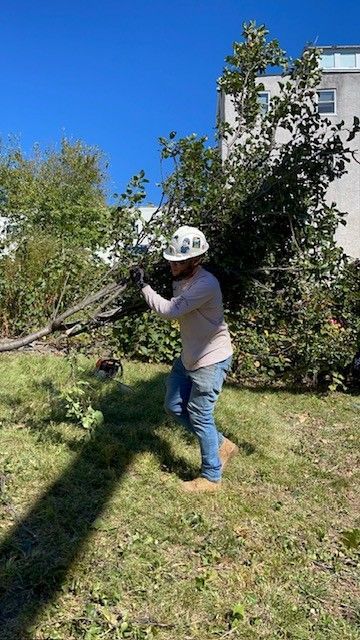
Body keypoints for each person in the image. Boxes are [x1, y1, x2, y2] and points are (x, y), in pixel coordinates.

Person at [130, 225, 238, 492]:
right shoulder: (183, 278)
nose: (173, 266)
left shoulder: (205, 284)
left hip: (210, 358)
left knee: (200, 415)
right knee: (173, 406)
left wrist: (143, 287)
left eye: (178, 262)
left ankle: (211, 477)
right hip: (190, 354)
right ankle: (222, 443)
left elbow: (169, 310)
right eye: (172, 260)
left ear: (196, 259)